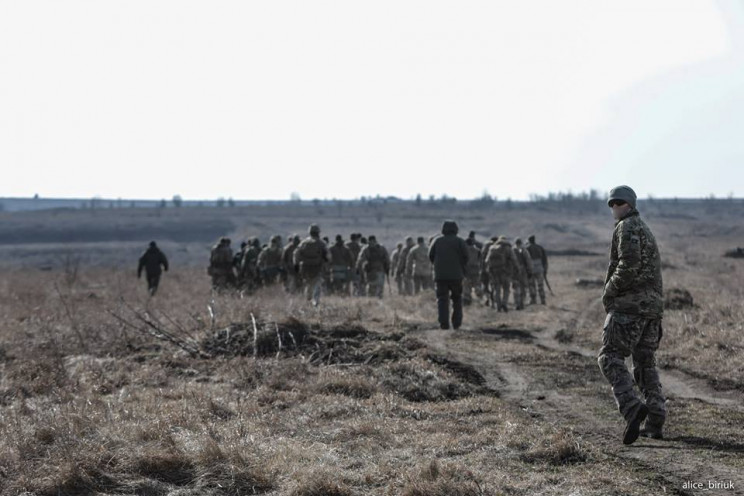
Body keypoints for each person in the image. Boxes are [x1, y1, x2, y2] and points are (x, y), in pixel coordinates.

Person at [598, 185, 666, 445]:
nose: (615, 207)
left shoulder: (626, 227)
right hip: (651, 309)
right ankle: (656, 418)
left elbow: (629, 264)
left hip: (630, 307)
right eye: (612, 203)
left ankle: (631, 407)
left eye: (619, 203)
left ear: (629, 204)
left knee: (609, 357)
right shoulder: (645, 228)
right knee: (645, 362)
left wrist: (609, 290)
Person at [428, 220, 468, 330]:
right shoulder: (460, 241)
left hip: (440, 276)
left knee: (442, 299)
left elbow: (431, 256)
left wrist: (438, 266)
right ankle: (457, 323)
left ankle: (444, 323)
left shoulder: (437, 241)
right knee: (457, 299)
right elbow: (466, 257)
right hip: (456, 275)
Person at [293, 224, 330, 305]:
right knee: (317, 283)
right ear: (318, 233)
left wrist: (296, 264)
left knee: (308, 284)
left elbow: (296, 253)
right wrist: (326, 261)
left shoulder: (304, 242)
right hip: (317, 266)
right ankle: (315, 301)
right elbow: (328, 255)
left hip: (305, 267)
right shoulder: (321, 243)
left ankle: (308, 299)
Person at [485, 236, 518, 312]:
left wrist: (489, 271)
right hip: (505, 272)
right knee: (506, 289)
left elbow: (486, 261)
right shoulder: (508, 248)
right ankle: (504, 303)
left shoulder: (492, 248)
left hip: (494, 272)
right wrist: (516, 269)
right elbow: (514, 259)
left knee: (497, 289)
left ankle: (498, 306)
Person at [526, 234, 549, 304]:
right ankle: (543, 300)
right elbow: (545, 260)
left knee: (531, 285)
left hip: (531, 269)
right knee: (540, 285)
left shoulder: (527, 248)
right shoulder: (540, 248)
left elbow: (525, 259)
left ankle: (533, 300)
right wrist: (545, 270)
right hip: (540, 269)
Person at [511, 238, 533, 310]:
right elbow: (528, 261)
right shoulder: (524, 250)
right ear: (521, 243)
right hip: (523, 271)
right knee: (523, 287)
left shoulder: (512, 250)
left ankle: (517, 303)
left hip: (514, 271)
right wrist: (530, 271)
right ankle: (522, 303)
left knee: (516, 287)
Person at [463, 237, 482, 305]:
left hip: (467, 269)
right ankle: (480, 296)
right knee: (476, 283)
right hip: (476, 269)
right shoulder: (477, 250)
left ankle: (467, 299)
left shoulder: (464, 250)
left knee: (467, 284)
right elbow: (480, 260)